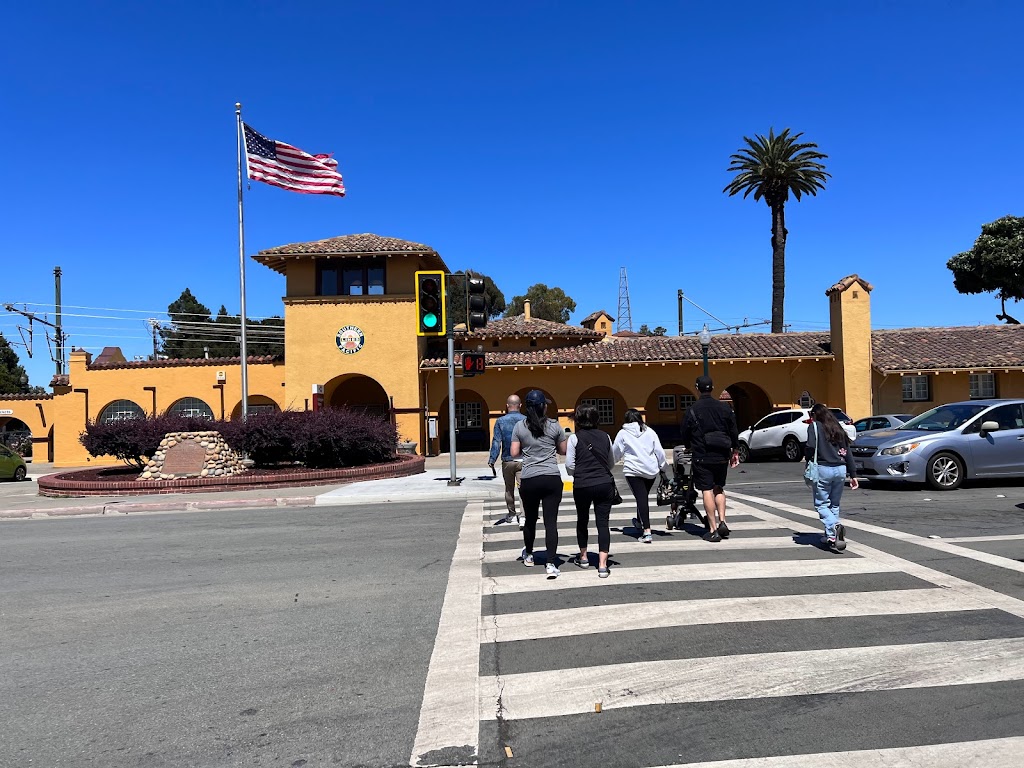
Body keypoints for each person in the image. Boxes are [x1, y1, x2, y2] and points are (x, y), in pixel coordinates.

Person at [511, 390, 568, 577]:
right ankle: (551, 563)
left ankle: (529, 554)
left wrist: (529, 451)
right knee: (551, 522)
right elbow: (563, 451)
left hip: (529, 478)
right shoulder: (554, 426)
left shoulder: (520, 426)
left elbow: (513, 453)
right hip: (551, 477)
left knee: (530, 520)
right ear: (543, 406)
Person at [680, 375, 739, 542]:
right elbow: (733, 430)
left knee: (706, 489)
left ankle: (713, 529)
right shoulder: (724, 408)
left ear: (697, 388)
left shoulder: (693, 409)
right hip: (721, 454)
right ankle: (723, 521)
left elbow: (684, 431)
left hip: (702, 455)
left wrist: (688, 445)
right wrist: (734, 448)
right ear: (712, 388)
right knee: (718, 487)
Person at [566, 404, 616, 578]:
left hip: (582, 484)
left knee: (582, 520)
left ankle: (584, 557)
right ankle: (602, 565)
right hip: (604, 483)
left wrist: (577, 473)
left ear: (578, 420)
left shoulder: (574, 438)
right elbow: (611, 462)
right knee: (603, 523)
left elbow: (569, 465)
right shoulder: (606, 436)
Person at [805, 403, 859, 553]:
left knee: (821, 505)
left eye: (811, 415)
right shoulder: (838, 428)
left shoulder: (814, 427)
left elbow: (810, 446)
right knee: (834, 505)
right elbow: (847, 451)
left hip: (823, 468)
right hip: (840, 469)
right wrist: (853, 474)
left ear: (815, 415)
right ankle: (832, 537)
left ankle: (834, 526)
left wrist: (808, 462)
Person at [612, 409, 668, 544]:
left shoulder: (623, 433)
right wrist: (663, 467)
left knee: (641, 498)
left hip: (633, 470)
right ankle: (639, 521)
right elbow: (659, 451)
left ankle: (647, 531)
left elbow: (616, 452)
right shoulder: (649, 431)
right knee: (643, 496)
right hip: (650, 470)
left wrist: (610, 464)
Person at [488, 394, 527, 527]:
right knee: (523, 488)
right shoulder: (526, 420)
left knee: (509, 489)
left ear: (507, 406)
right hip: (523, 459)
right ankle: (523, 516)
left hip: (507, 459)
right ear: (520, 405)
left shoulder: (500, 421)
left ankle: (511, 514)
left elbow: (496, 442)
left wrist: (492, 458)